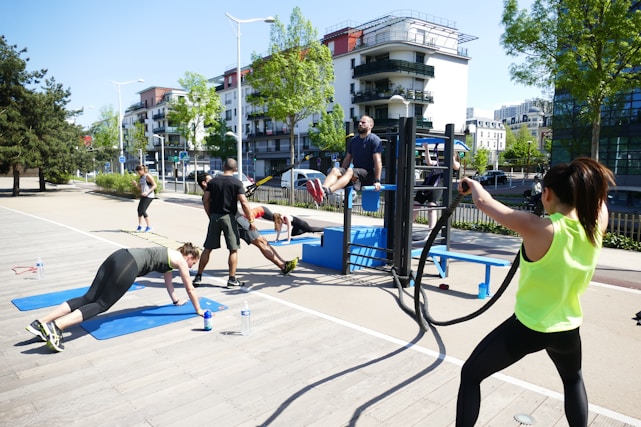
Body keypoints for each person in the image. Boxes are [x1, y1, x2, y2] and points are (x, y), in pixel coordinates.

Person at [455, 157, 615, 427]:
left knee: (471, 374)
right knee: (573, 379)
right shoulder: (596, 226)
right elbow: (598, 203)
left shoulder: (540, 228)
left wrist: (472, 183)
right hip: (567, 330)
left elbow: (484, 203)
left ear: (548, 193)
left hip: (528, 329)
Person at [26, 243, 204, 352]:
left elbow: (169, 283)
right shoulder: (180, 260)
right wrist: (198, 310)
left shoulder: (169, 255)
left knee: (89, 297)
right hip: (129, 265)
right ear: (190, 256)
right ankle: (56, 326)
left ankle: (40, 322)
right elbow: (190, 288)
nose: (190, 266)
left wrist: (175, 300)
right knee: (101, 304)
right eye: (193, 263)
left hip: (119, 255)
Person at [194, 175, 297, 279]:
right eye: (210, 179)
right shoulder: (214, 191)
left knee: (208, 248)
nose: (214, 179)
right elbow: (233, 200)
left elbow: (226, 199)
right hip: (236, 220)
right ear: (204, 183)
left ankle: (199, 275)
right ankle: (283, 266)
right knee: (261, 242)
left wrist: (242, 193)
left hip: (219, 220)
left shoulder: (209, 195)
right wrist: (241, 195)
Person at [193, 158, 254, 288]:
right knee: (233, 249)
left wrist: (210, 215)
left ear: (223, 166)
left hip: (215, 217)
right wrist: (251, 220)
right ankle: (232, 279)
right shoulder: (236, 183)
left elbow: (206, 200)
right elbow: (244, 202)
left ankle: (198, 276)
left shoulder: (213, 182)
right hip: (229, 217)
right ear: (235, 169)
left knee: (208, 248)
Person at [306, 115, 382, 204]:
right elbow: (347, 159)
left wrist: (377, 181)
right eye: (359, 122)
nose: (360, 124)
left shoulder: (374, 140)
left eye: (363, 122)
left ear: (370, 125)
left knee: (350, 171)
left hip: (368, 175)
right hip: (355, 175)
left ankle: (326, 192)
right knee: (335, 170)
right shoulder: (354, 141)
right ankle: (323, 189)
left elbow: (378, 161)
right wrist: (341, 173)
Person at [413, 143, 461, 230]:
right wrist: (426, 148)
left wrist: (453, 156)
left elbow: (456, 166)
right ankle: (408, 226)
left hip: (437, 186)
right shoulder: (440, 163)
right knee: (415, 205)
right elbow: (429, 162)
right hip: (427, 184)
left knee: (431, 206)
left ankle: (431, 230)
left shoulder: (454, 165)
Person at [131, 165, 157, 232]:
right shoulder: (141, 177)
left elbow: (155, 185)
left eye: (139, 172)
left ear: (142, 170)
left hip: (149, 196)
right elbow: (140, 187)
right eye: (137, 172)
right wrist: (135, 184)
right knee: (139, 210)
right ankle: (140, 226)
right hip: (143, 195)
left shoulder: (147, 176)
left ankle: (149, 227)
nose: (138, 173)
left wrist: (147, 192)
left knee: (143, 210)